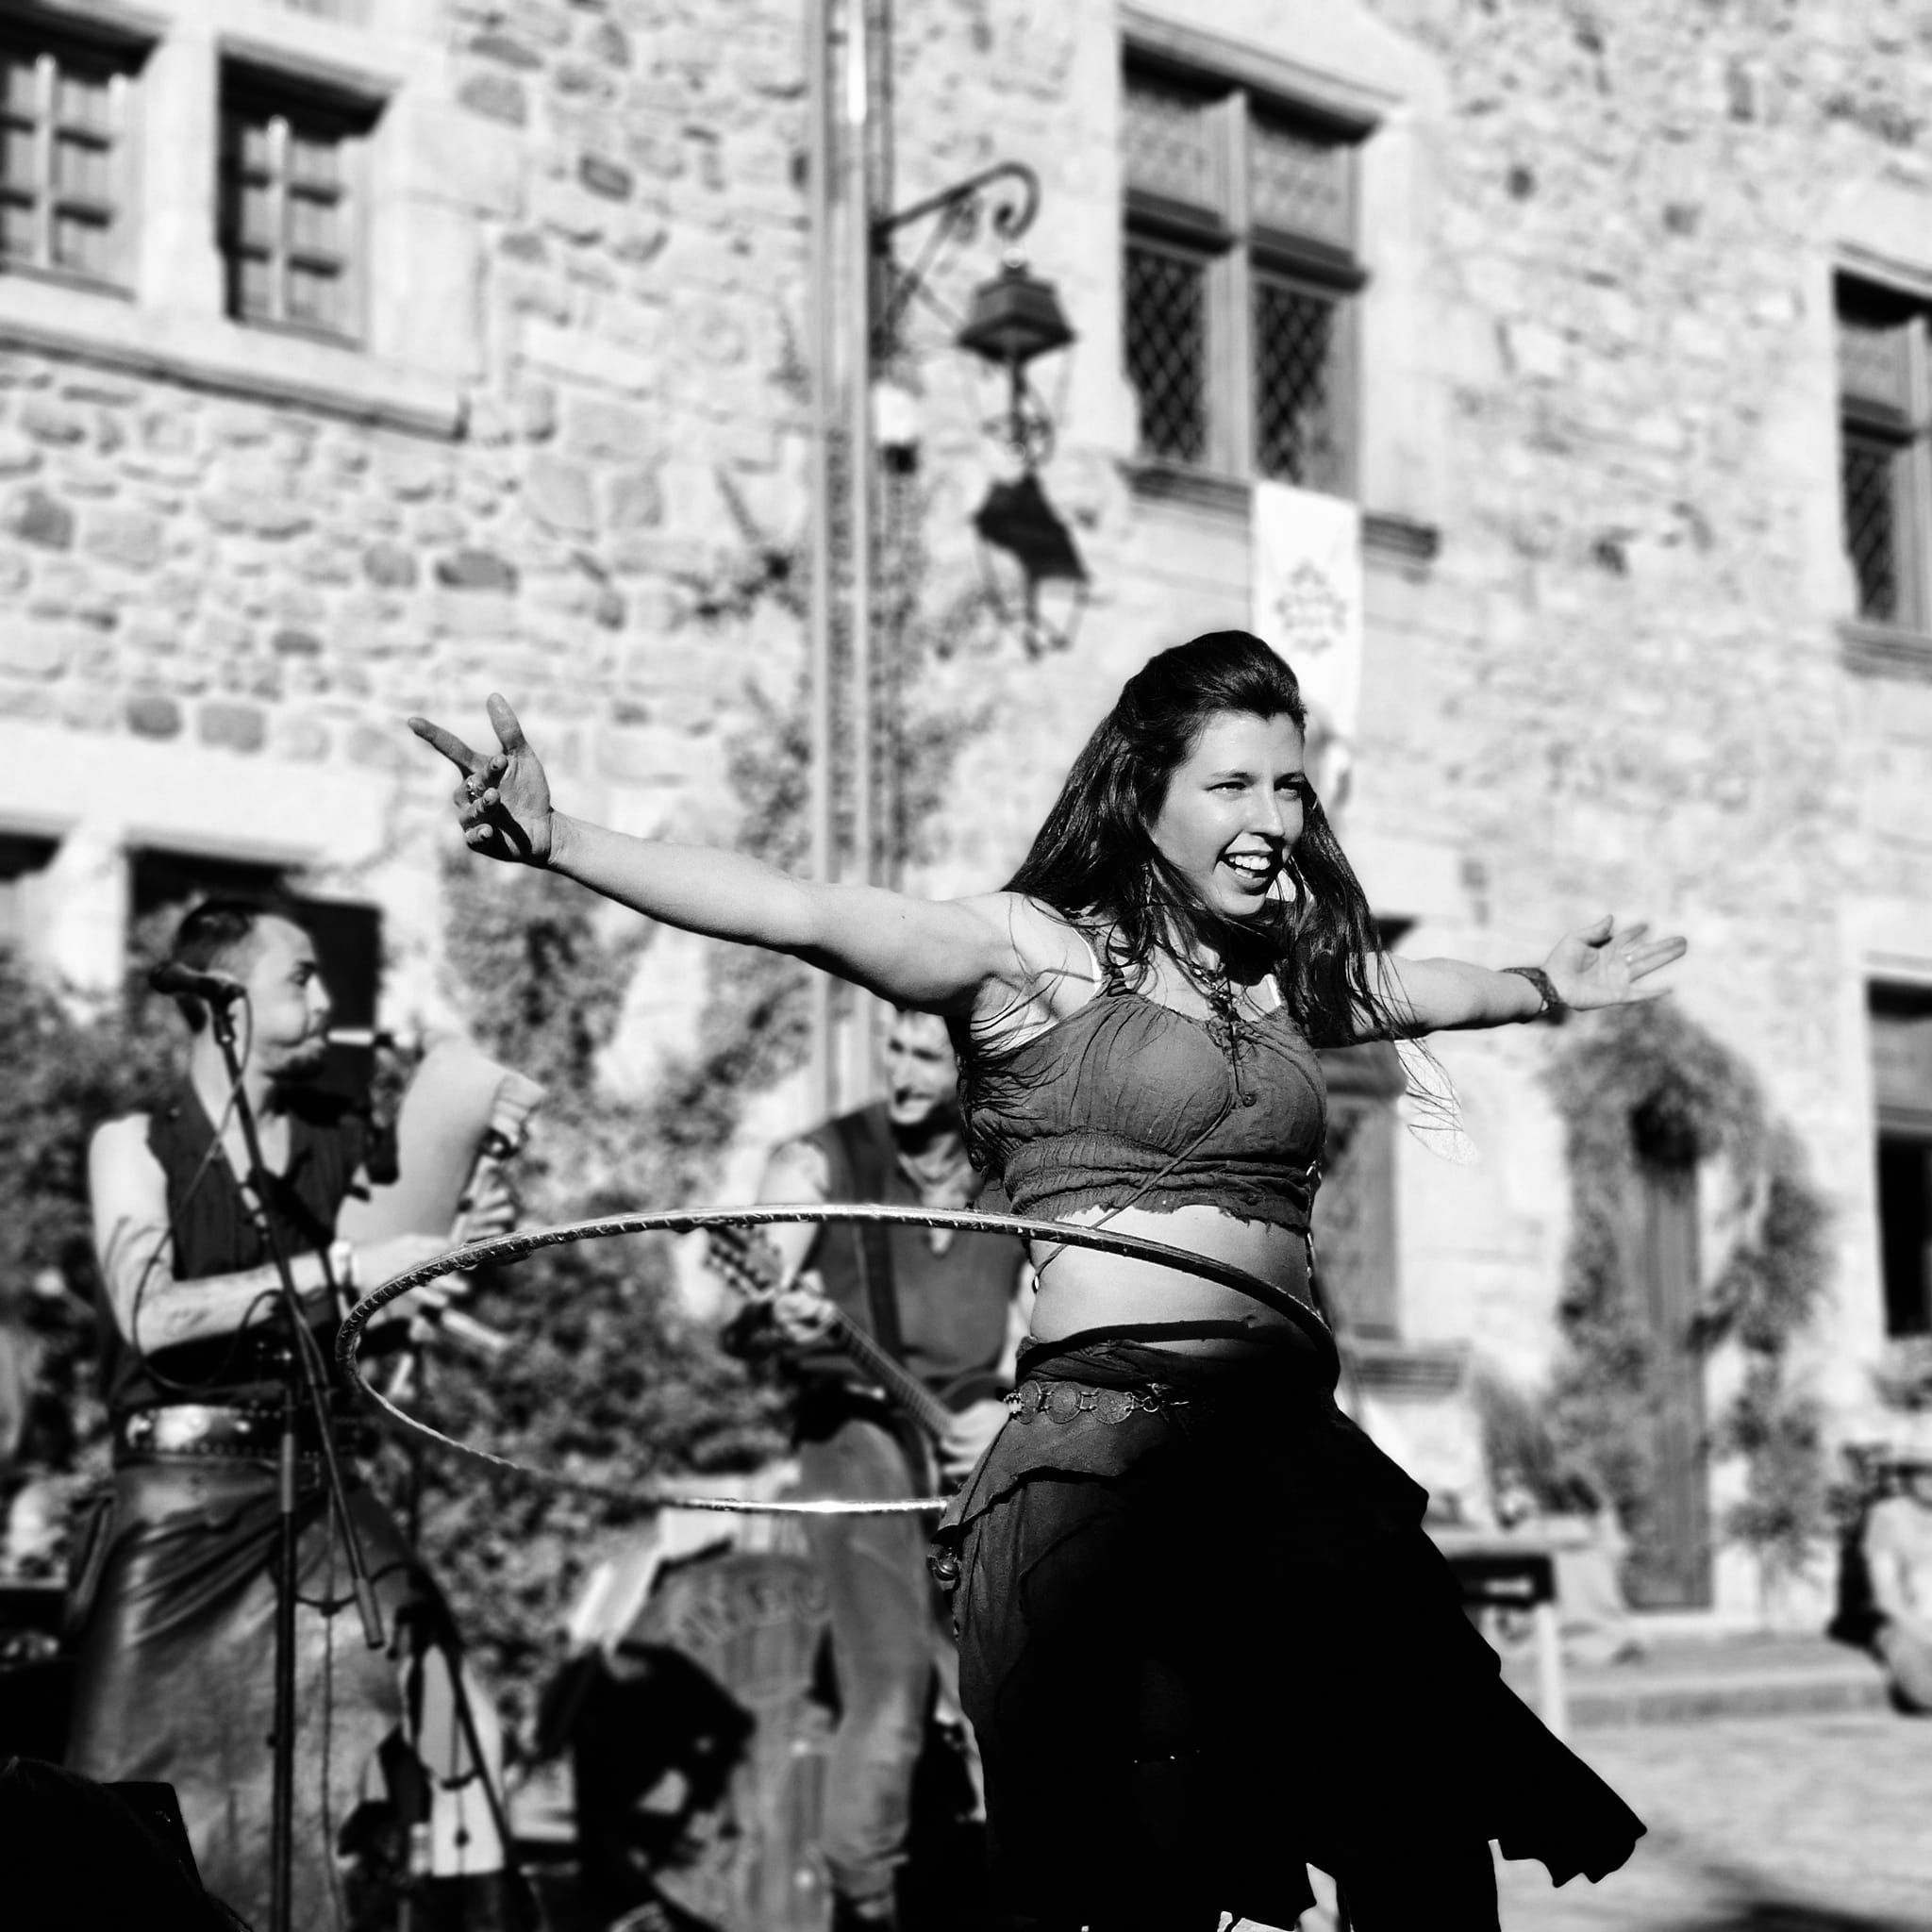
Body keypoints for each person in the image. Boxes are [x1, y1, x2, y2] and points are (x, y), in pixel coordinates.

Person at [411, 632, 1679, 1932]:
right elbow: (800, 910)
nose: (1272, 820)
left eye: (1289, 788)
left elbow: (1414, 988)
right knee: (1146, 1868)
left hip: (1294, 1456)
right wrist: (560, 840)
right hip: (1108, 1459)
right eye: (1232, 786)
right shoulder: (1031, 954)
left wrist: (1544, 985)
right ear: (1144, 790)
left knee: (1419, 1825)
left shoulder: (1271, 980)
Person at [70, 898, 517, 1932]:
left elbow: (380, 1329)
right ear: (224, 1002)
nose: (325, 1000)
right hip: (175, 1508)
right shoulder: (134, 1146)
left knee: (456, 1721)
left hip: (322, 1487)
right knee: (113, 1803)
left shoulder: (345, 1141)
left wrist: (451, 1255)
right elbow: (151, 1316)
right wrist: (351, 1264)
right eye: (300, 978)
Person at [723, 1005, 1031, 1932]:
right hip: (853, 1435)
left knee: (1014, 1684)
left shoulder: (1013, 1175)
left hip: (976, 1446)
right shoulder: (819, 1162)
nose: (900, 1073)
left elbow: (1055, 1324)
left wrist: (1009, 1411)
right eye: (892, 1048)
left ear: (973, 1068)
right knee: (891, 1683)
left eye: (926, 1057)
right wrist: (774, 1313)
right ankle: (863, 1904)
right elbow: (746, 1315)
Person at [1862, 1453, 1932, 1714]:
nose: (1929, 1480)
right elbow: (1887, 1596)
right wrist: (1927, 1635)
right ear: (1908, 1476)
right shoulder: (1888, 1517)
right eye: (1923, 1472)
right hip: (1913, 1627)